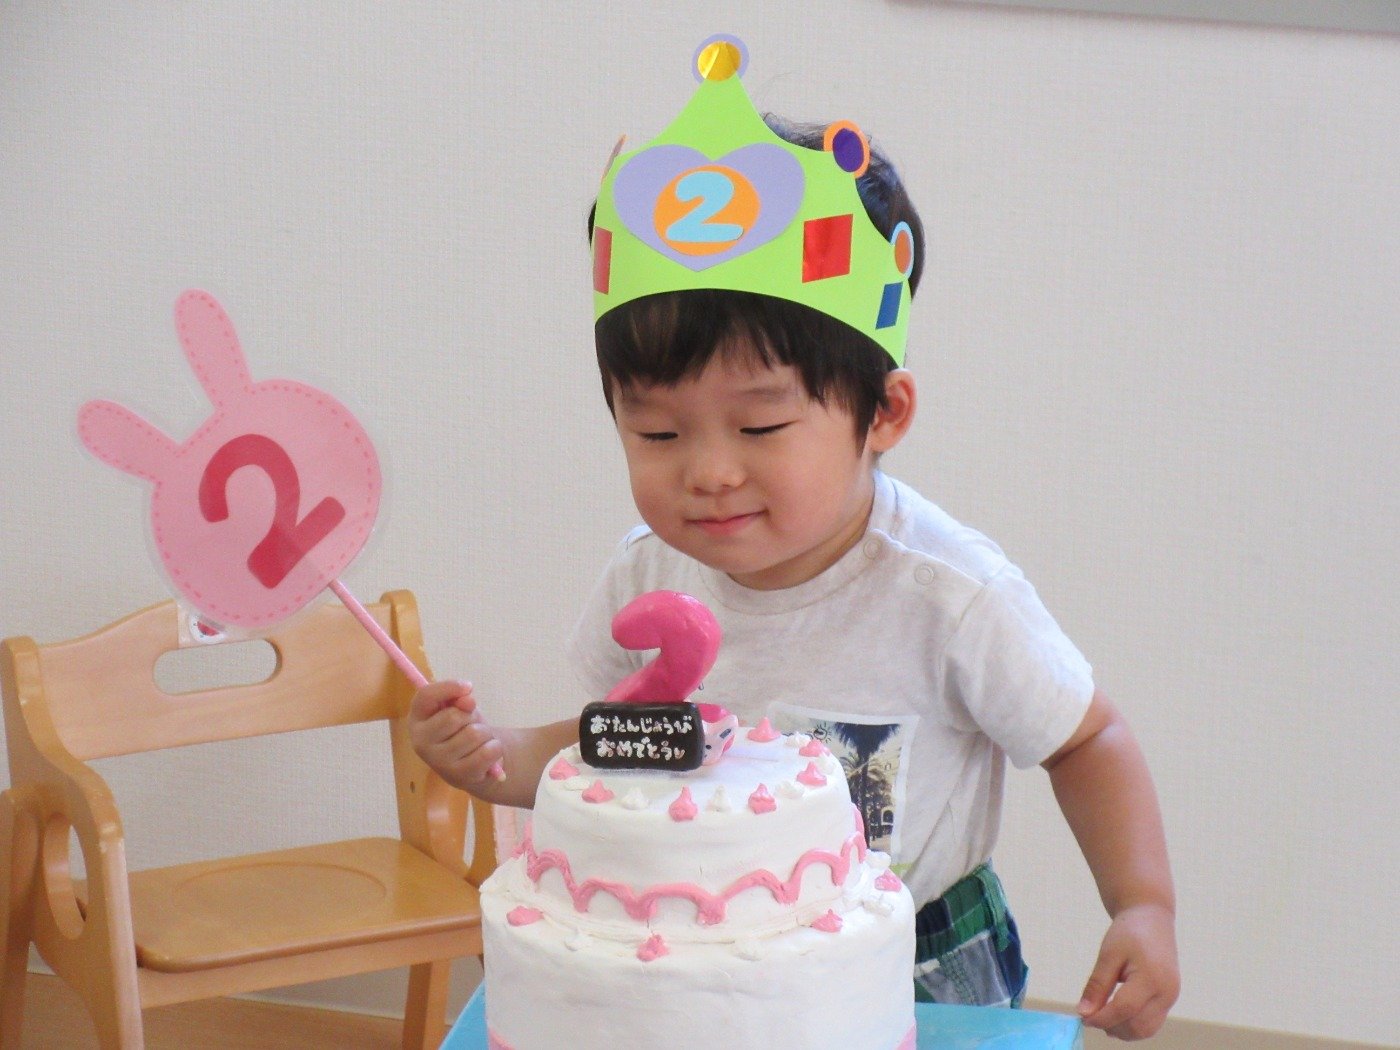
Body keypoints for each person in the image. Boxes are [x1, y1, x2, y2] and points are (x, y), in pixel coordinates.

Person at [409, 36, 1178, 1041]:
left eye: (762, 426)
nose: (708, 470)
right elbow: (617, 742)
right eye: (657, 433)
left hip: (919, 953)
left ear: (882, 413)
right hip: (686, 969)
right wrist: (495, 756)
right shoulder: (646, 574)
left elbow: (1085, 737)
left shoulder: (948, 594)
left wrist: (1140, 904)